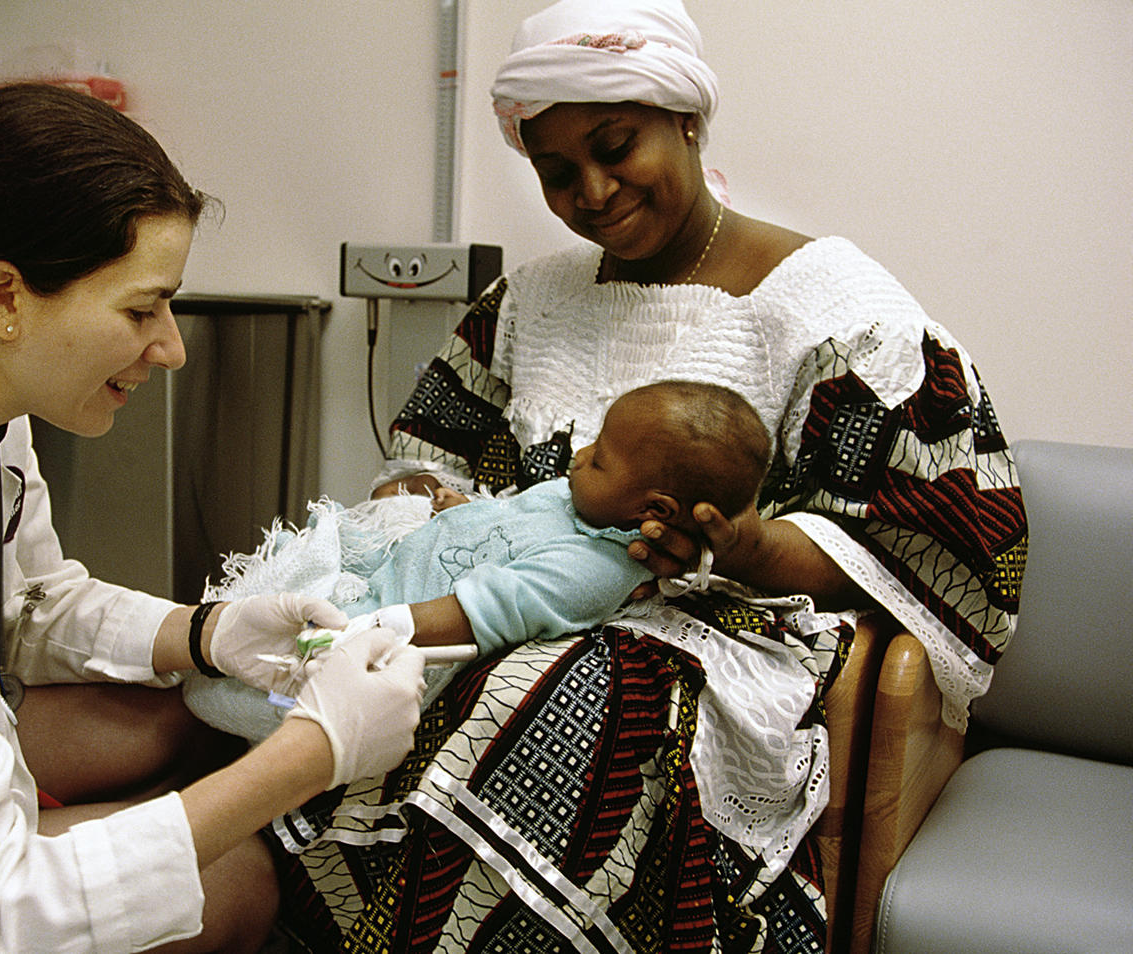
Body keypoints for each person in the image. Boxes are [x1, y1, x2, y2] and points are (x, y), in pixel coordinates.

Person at [264, 3, 1028, 952]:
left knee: (541, 692)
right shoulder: (529, 301)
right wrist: (423, 504)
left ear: (689, 122)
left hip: (716, 639)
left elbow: (938, 545)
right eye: (555, 172)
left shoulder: (834, 309)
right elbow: (430, 449)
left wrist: (746, 544)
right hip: (501, 593)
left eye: (616, 146)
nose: (591, 190)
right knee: (312, 629)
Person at [0, 84, 428, 954]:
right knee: (238, 881)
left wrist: (209, 633)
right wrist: (313, 755)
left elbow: (21, 601)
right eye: (142, 309)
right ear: (3, 294)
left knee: (192, 720)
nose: (171, 347)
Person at [185, 379, 772, 741]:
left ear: (655, 508)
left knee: (220, 694)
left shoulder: (596, 571)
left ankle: (259, 733)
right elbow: (511, 518)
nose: (580, 454)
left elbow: (482, 611)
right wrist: (462, 508)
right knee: (234, 631)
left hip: (385, 641)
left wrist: (368, 632)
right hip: (375, 584)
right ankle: (195, 653)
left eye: (600, 459)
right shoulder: (575, 499)